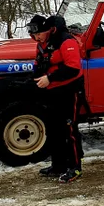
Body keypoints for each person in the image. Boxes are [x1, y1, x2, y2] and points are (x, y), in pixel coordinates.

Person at [28, 14, 85, 183]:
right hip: (52, 91)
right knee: (54, 129)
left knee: (69, 129)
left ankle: (75, 168)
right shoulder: (41, 44)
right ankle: (58, 165)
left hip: (69, 90)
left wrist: (50, 78)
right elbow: (39, 65)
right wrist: (34, 80)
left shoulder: (66, 41)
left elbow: (73, 68)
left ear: (48, 30)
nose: (36, 37)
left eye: (38, 33)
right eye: (34, 34)